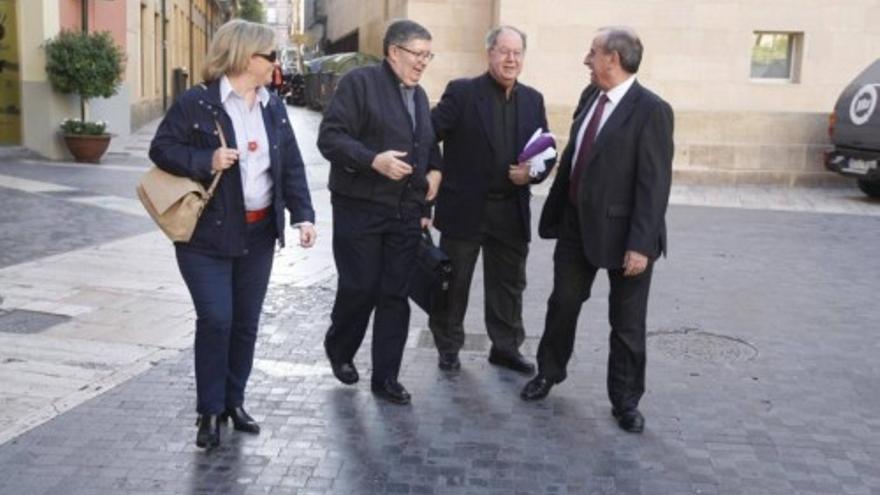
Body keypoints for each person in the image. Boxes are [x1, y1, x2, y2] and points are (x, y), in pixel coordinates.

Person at [149, 19, 316, 449]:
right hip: (206, 236)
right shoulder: (197, 103)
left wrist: (304, 215)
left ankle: (233, 402)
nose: (277, 64)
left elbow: (291, 164)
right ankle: (208, 410)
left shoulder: (272, 106)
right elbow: (161, 149)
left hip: (258, 234)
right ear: (246, 57)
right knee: (217, 318)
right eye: (271, 56)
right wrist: (207, 158)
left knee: (244, 323)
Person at [520, 27, 674, 434]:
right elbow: (576, 154)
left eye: (593, 53)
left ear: (613, 59)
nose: (586, 60)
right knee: (562, 304)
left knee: (626, 323)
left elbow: (654, 185)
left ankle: (625, 401)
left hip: (627, 237)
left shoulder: (652, 110)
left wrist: (641, 244)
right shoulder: (591, 96)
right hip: (575, 225)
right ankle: (548, 373)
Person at [317, 19, 442, 405]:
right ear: (393, 52)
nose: (423, 63)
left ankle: (386, 378)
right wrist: (374, 161)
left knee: (395, 295)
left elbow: (426, 146)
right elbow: (330, 138)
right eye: (417, 54)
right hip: (360, 210)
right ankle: (340, 347)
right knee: (360, 288)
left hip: (405, 213)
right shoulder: (359, 84)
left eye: (428, 55)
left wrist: (434, 175)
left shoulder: (419, 96)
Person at [428, 26, 554, 374]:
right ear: (490, 54)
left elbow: (546, 151)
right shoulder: (462, 92)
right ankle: (448, 347)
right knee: (454, 285)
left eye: (517, 53)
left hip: (510, 210)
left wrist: (532, 174)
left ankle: (505, 348)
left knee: (509, 285)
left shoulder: (533, 99)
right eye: (504, 51)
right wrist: (433, 174)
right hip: (465, 209)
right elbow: (426, 135)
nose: (511, 59)